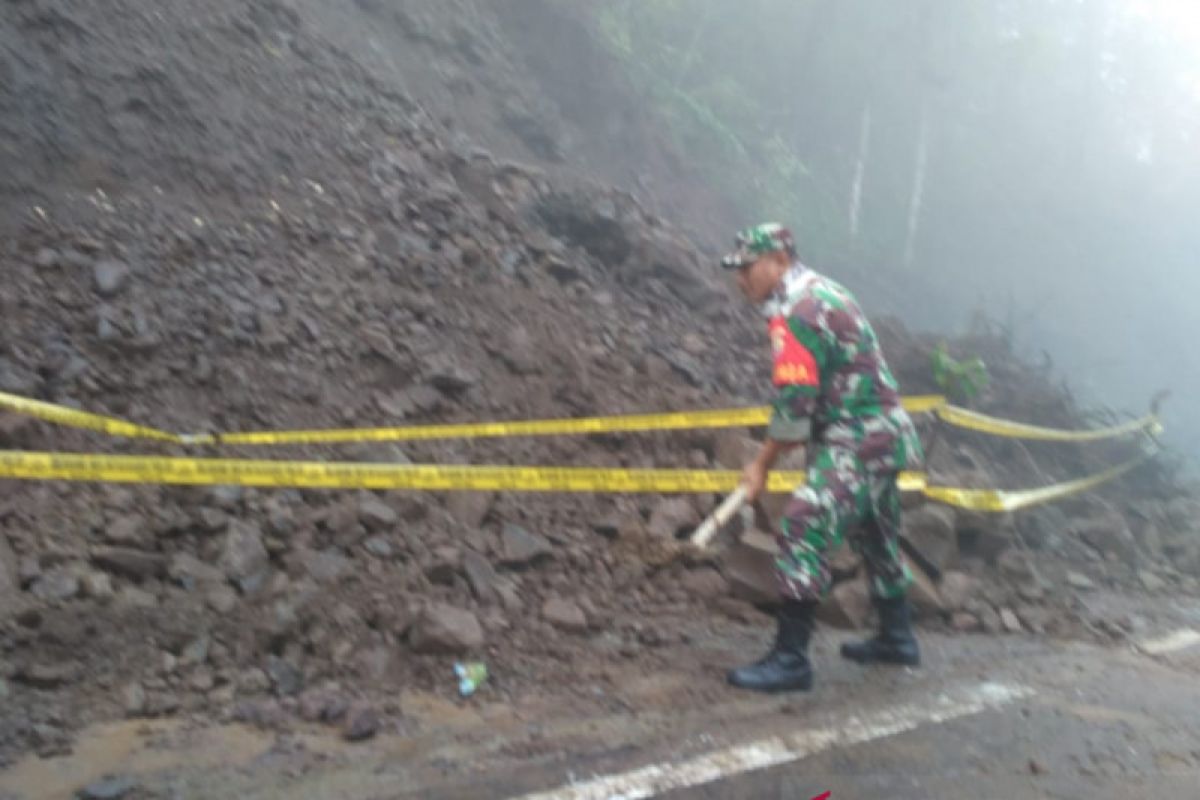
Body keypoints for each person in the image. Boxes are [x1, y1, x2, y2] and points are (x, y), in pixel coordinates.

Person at [719, 222, 925, 693]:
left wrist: (760, 466)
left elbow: (794, 408)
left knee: (804, 521)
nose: (740, 279)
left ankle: (791, 660)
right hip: (880, 435)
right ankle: (897, 636)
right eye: (738, 269)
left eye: (748, 267)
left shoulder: (800, 312)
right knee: (877, 534)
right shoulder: (818, 294)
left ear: (780, 261)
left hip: (859, 437)